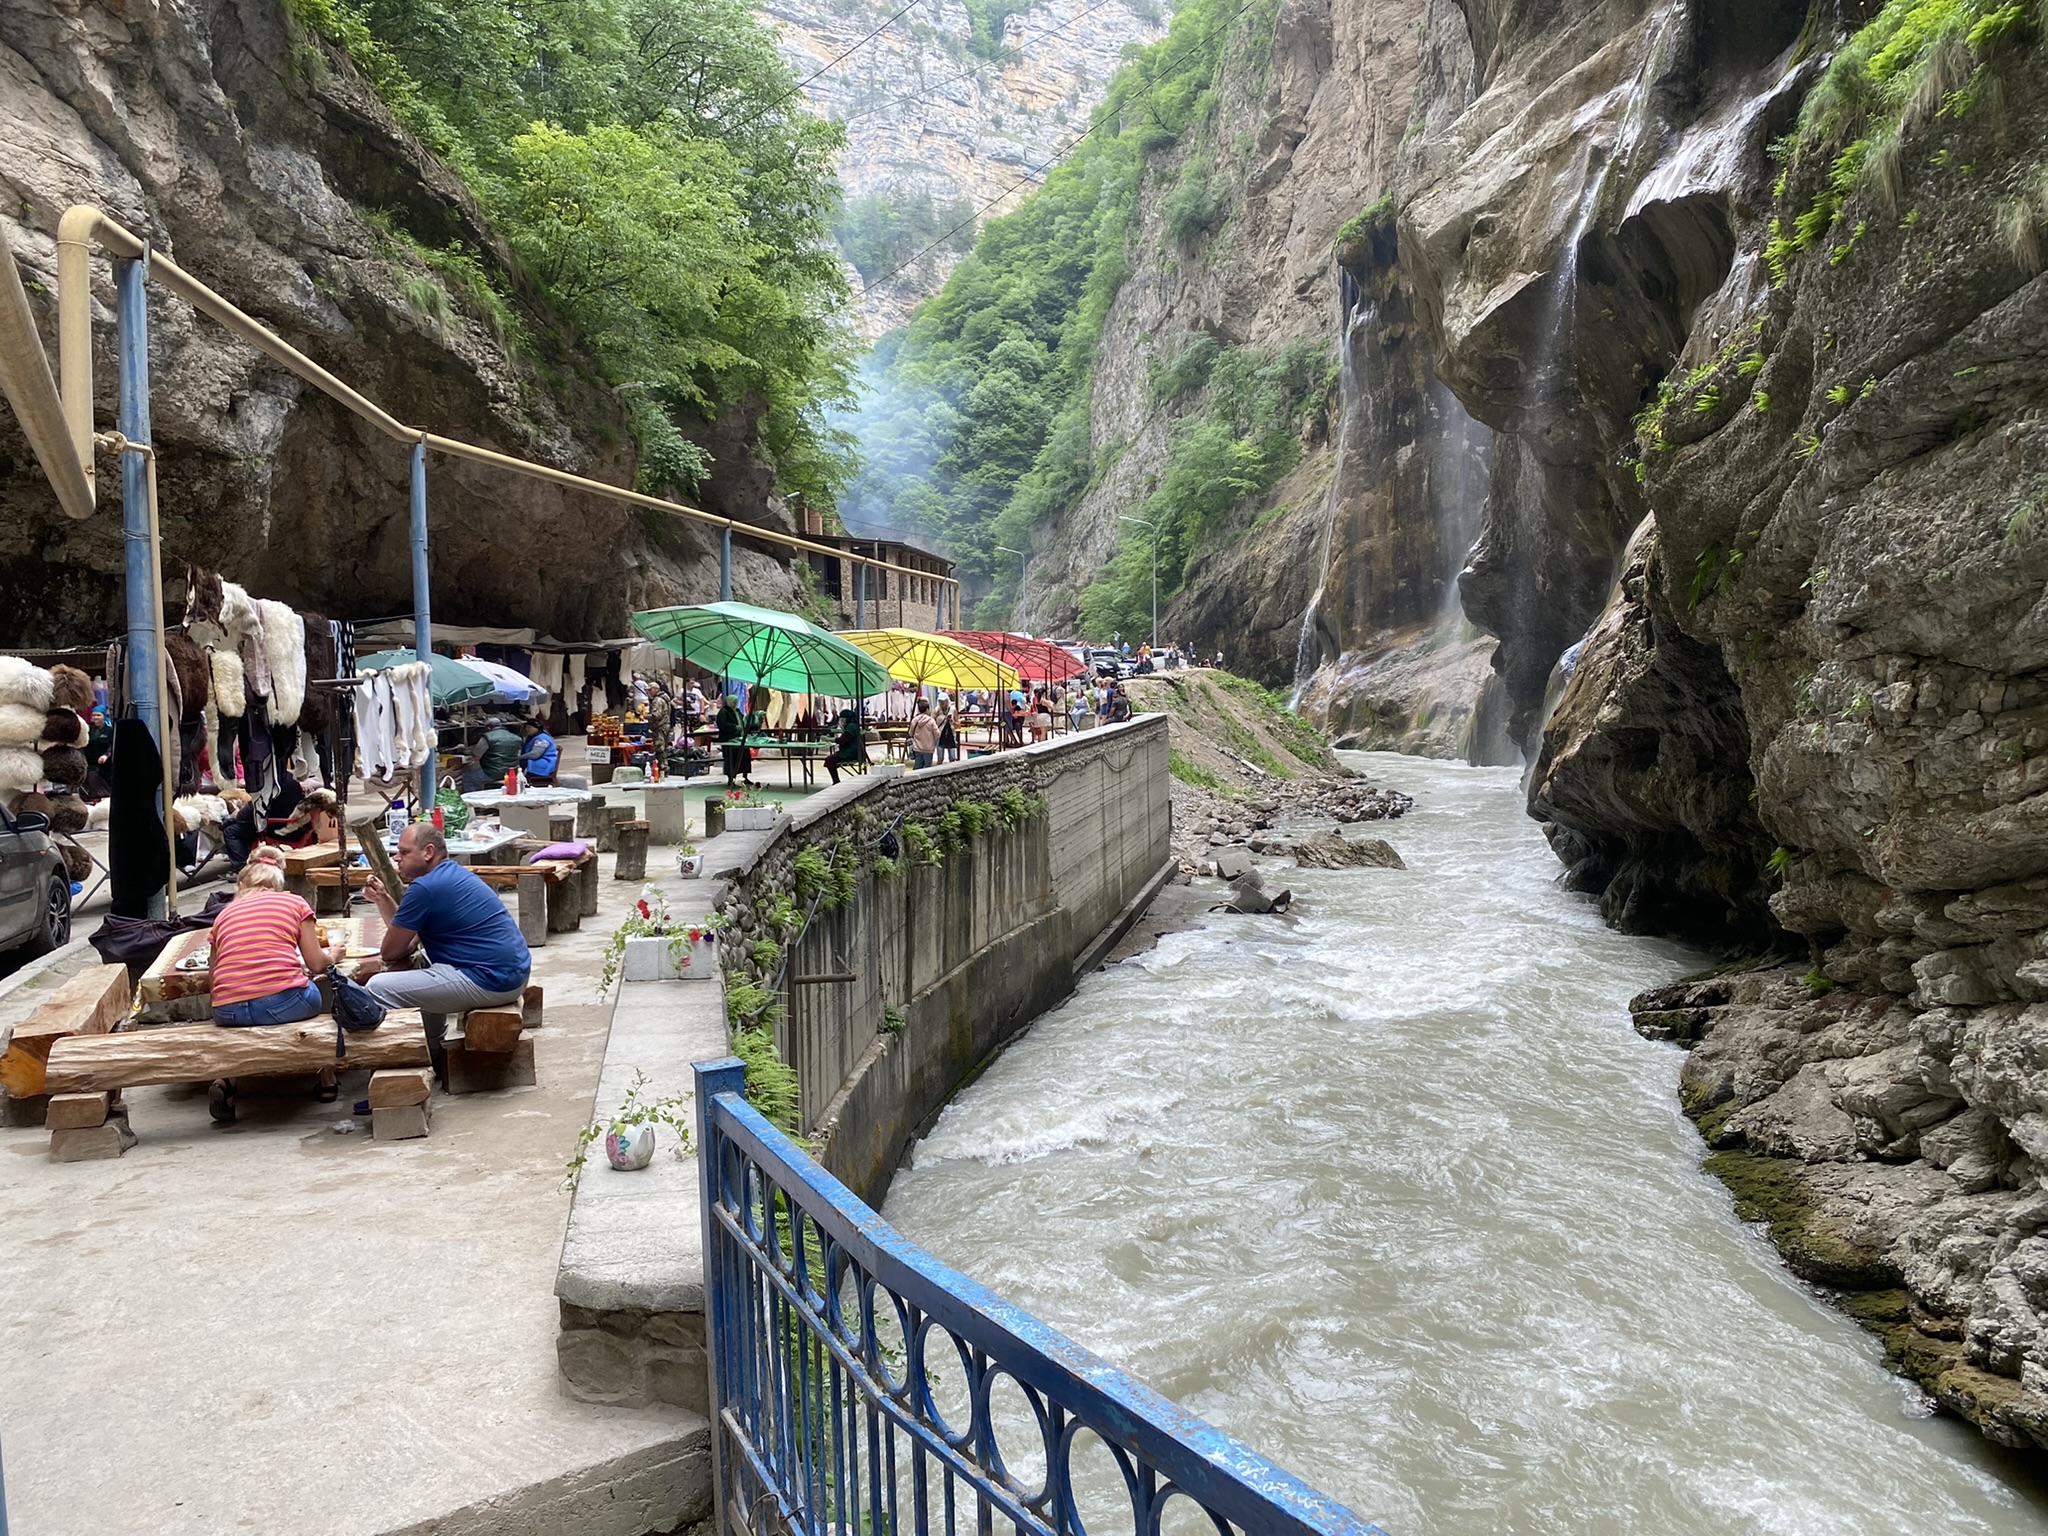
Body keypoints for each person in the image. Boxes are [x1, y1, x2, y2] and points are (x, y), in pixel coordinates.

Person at [357, 823, 532, 1083]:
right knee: (420, 964)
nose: (396, 858)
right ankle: (433, 1051)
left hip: (491, 979)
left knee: (378, 987)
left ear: (428, 852)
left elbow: (391, 951)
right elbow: (408, 942)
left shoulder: (425, 888)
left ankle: (400, 1069)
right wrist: (383, 898)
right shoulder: (448, 874)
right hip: (510, 972)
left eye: (404, 853)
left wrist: (395, 935)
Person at [205, 850, 344, 1122]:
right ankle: (327, 1076)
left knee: (247, 998)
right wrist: (335, 955)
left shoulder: (223, 915)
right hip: (282, 1005)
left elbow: (213, 976)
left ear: (242, 886)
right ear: (277, 885)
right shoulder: (294, 904)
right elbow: (316, 963)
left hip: (227, 1011)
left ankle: (224, 1080)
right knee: (324, 986)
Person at [825, 708, 867, 785]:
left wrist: (829, 739)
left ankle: (836, 782)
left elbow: (843, 740)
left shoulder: (851, 727)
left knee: (829, 760)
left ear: (847, 718)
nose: (841, 720)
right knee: (831, 759)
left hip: (850, 753)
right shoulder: (854, 726)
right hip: (853, 751)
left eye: (842, 718)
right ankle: (836, 781)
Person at [716, 693, 750, 786]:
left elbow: (743, 720)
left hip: (740, 738)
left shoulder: (737, 711)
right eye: (734, 702)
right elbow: (722, 724)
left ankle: (745, 777)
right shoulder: (724, 712)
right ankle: (731, 779)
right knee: (731, 759)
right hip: (729, 739)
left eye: (736, 702)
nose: (735, 703)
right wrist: (734, 727)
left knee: (745, 757)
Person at [477, 716, 523, 780]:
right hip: (513, 772)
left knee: (468, 778)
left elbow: (476, 756)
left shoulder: (487, 737)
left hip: (493, 773)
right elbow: (518, 755)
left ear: (488, 727)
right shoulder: (517, 738)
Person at [83, 708, 113, 801]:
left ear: (104, 717)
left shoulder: (109, 730)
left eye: (98, 715)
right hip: (90, 765)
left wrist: (106, 755)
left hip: (105, 767)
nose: (95, 717)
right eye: (93, 715)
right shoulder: (87, 730)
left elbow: (113, 745)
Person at [521, 719, 559, 786]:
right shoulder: (531, 737)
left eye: (530, 727)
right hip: (537, 760)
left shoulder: (543, 739)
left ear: (537, 728)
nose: (527, 729)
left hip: (545, 762)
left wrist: (519, 757)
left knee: (521, 762)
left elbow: (535, 754)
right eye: (526, 727)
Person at [907, 699, 938, 770]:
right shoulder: (931, 721)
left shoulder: (915, 720)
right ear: (927, 709)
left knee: (918, 767)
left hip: (917, 748)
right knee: (927, 769)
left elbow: (910, 733)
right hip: (928, 749)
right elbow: (937, 734)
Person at [935, 696, 959, 763]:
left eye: (943, 701)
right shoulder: (937, 710)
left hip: (951, 734)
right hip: (940, 734)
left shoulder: (953, 709)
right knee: (940, 757)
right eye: (940, 701)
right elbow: (933, 721)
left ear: (947, 701)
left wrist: (952, 721)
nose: (942, 703)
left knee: (952, 757)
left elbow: (958, 725)